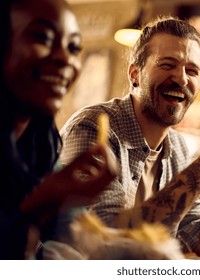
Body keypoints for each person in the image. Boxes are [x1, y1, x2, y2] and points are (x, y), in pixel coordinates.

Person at [59, 16, 200, 259]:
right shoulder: (94, 129)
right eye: (167, 65)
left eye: (192, 71)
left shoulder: (177, 147)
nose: (182, 78)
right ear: (135, 74)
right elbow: (105, 244)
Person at [0, 0, 118, 260]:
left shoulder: (42, 141)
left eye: (74, 47)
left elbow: (67, 239)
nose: (65, 58)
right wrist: (36, 209)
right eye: (43, 38)